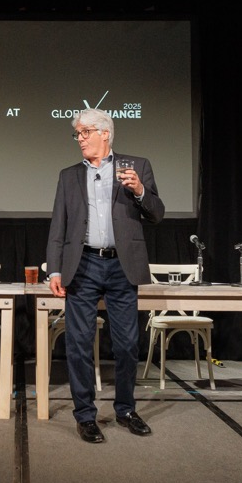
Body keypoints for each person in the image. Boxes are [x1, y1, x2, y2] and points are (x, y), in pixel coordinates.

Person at [47, 108, 164, 443]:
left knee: (127, 344)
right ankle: (85, 415)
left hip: (121, 265)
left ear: (105, 133)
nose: (80, 139)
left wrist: (140, 190)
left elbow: (157, 213)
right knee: (79, 344)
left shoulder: (136, 166)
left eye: (85, 132)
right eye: (78, 134)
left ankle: (125, 409)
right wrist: (55, 268)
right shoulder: (68, 175)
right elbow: (59, 226)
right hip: (82, 265)